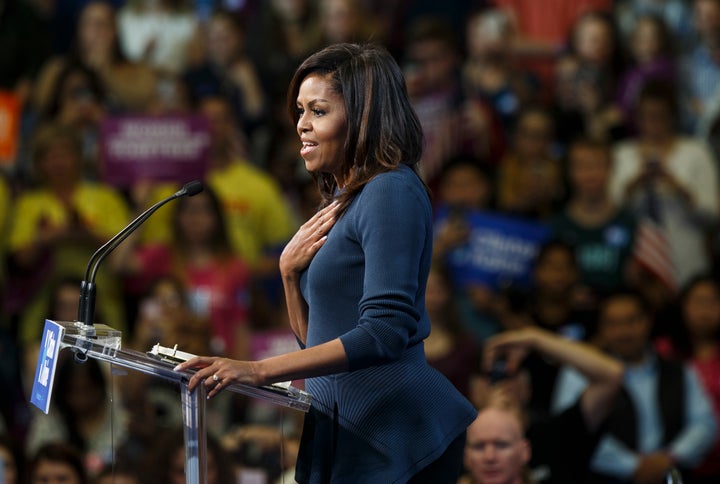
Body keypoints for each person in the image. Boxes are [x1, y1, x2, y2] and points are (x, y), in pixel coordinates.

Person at [174, 43, 477, 483]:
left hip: (397, 436)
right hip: (347, 430)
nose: (301, 125)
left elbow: (385, 333)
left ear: (363, 117)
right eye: (299, 111)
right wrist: (289, 275)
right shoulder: (347, 199)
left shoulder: (391, 190)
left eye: (318, 111)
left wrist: (257, 369)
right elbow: (319, 344)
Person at [552, 289, 717, 483]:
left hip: (672, 475)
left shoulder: (679, 370)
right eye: (613, 324)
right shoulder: (579, 373)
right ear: (601, 328)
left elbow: (705, 423)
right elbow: (570, 433)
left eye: (631, 321)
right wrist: (632, 466)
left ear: (648, 321)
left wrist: (670, 457)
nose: (623, 332)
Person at [464, 325, 624, 484]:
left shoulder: (556, 434)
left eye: (510, 375)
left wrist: (534, 339)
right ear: (475, 390)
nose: (502, 385)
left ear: (526, 385)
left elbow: (610, 376)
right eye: (493, 377)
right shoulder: (460, 448)